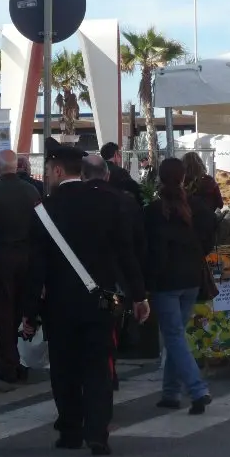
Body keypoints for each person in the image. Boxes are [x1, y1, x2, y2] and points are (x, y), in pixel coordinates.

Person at [23, 138, 149, 456]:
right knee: (99, 366)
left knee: (63, 368)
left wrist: (29, 312)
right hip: (102, 299)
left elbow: (35, 268)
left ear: (57, 169)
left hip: (59, 304)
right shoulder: (110, 202)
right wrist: (138, 295)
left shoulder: (44, 211)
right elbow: (126, 255)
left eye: (48, 171)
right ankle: (98, 432)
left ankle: (69, 429)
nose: (46, 177)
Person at [145, 157, 216, 414]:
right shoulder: (197, 207)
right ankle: (170, 392)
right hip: (192, 279)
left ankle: (197, 389)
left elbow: (149, 249)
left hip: (166, 281)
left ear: (159, 178)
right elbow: (211, 230)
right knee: (177, 336)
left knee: (173, 336)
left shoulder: (154, 211)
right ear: (184, 178)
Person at [81, 155, 147, 391]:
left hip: (82, 281)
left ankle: (94, 377)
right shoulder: (125, 202)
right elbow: (137, 248)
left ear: (83, 175)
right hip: (116, 281)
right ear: (107, 175)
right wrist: (139, 291)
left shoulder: (73, 201)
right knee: (110, 330)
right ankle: (108, 373)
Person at [0, 149, 41, 382]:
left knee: (4, 313)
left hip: (1, 259)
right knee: (26, 309)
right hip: (28, 258)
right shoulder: (32, 191)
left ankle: (8, 364)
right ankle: (24, 360)